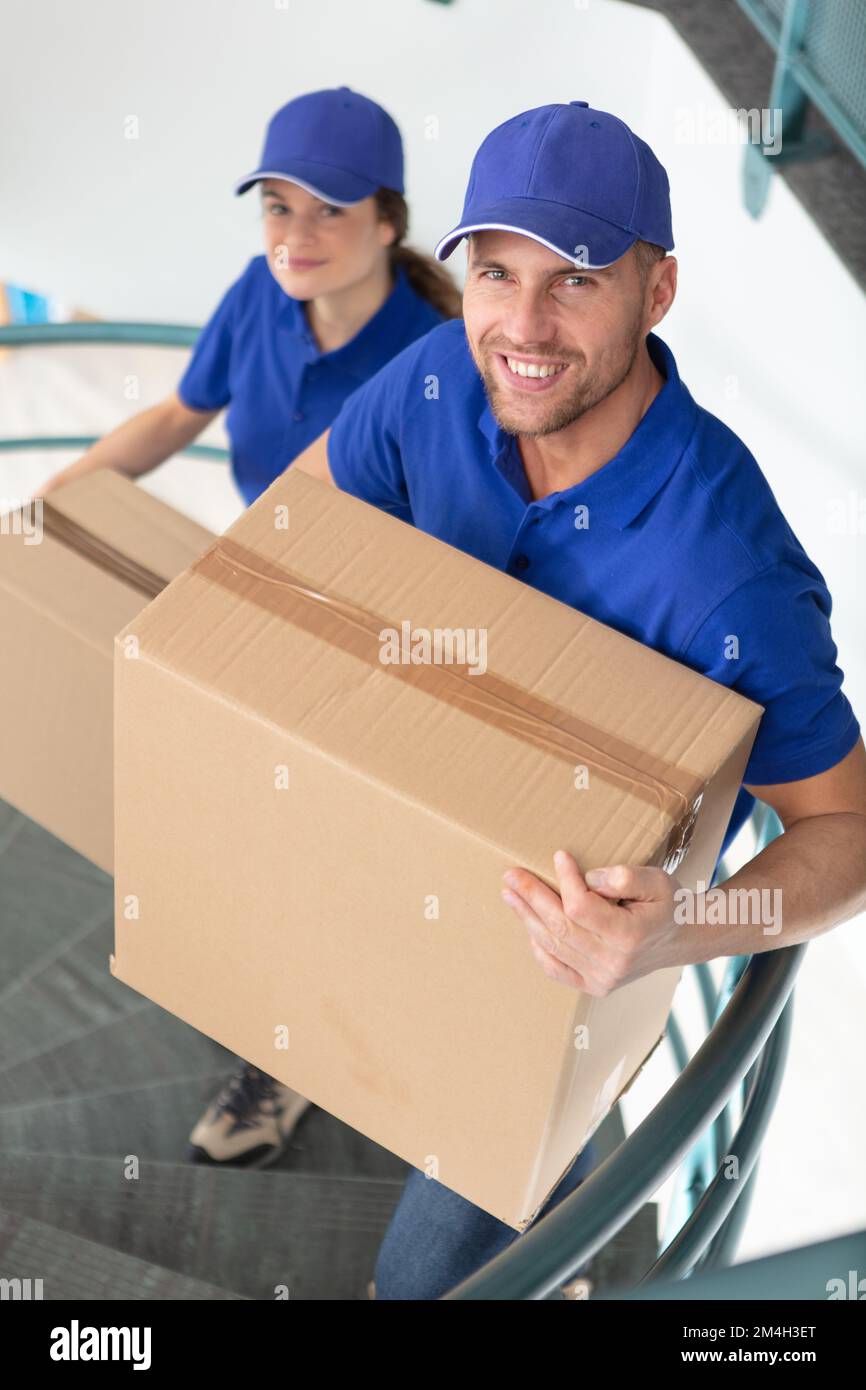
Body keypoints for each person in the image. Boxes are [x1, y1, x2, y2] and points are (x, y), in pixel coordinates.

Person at [289, 99, 865, 1298]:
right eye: (497, 273)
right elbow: (307, 515)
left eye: (578, 281)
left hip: (558, 971)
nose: (524, 327)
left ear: (655, 295)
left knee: (428, 1280)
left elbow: (846, 833)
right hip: (422, 854)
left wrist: (674, 936)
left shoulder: (727, 574)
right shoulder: (448, 372)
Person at [38, 86, 460, 1168]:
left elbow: (460, 552)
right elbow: (180, 413)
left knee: (329, 861)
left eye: (326, 211)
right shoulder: (257, 298)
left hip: (385, 639)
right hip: (265, 604)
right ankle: (284, 1022)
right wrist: (50, 510)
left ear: (385, 223)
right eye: (276, 206)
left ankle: (305, 1064)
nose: (295, 235)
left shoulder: (441, 365)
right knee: (238, 837)